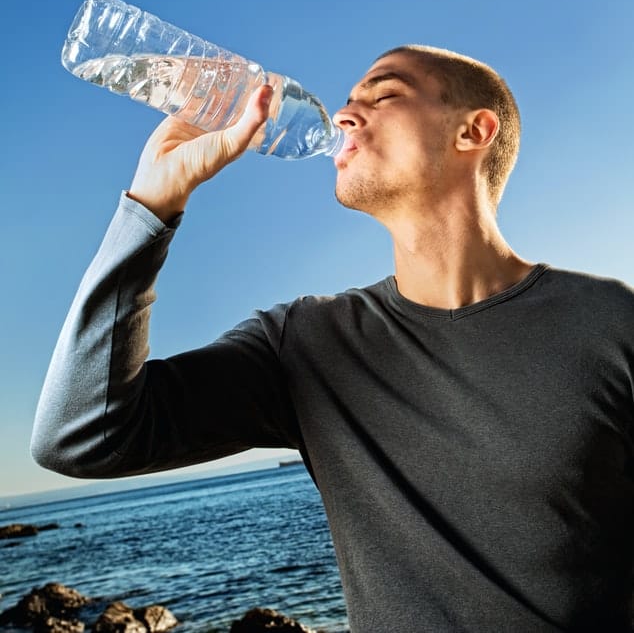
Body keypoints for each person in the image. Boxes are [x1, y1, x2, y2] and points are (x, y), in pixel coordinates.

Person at [32, 45, 634, 632]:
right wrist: (152, 205)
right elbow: (79, 437)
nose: (344, 114)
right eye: (347, 100)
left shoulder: (610, 321)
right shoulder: (306, 344)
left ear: (473, 132)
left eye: (385, 94)